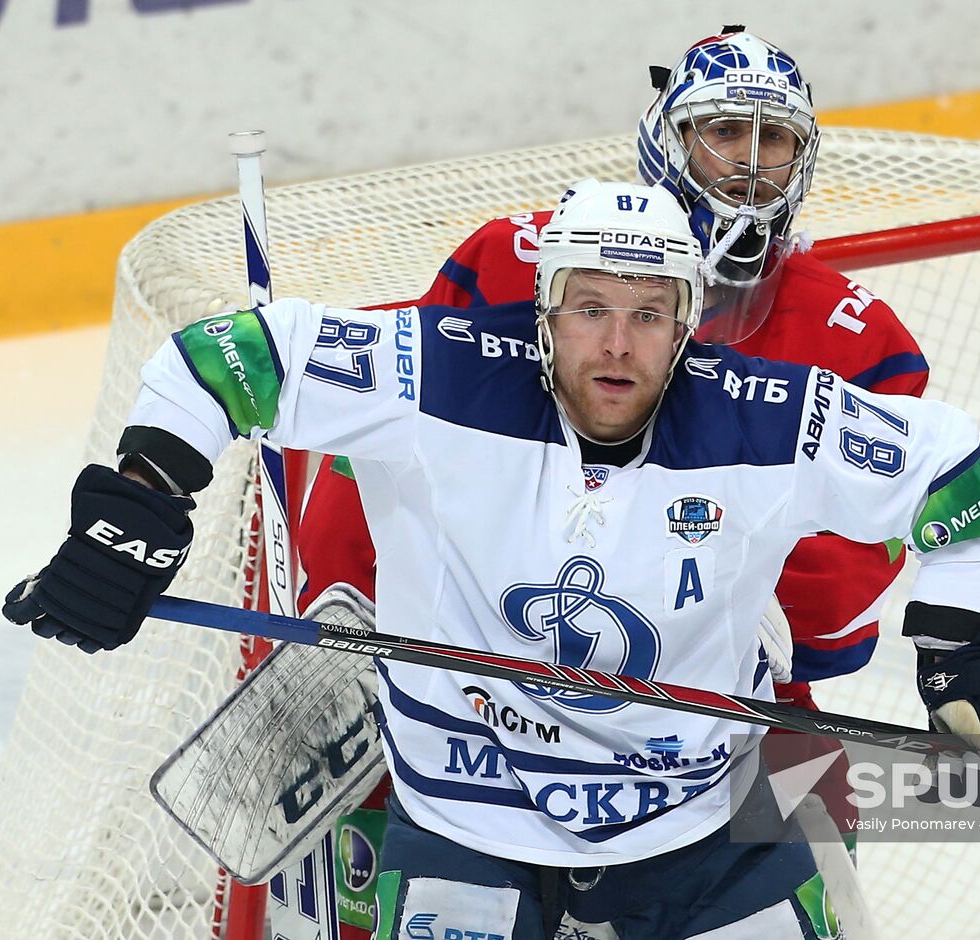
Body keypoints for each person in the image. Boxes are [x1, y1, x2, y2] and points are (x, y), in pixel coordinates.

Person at [3, 180, 980, 939]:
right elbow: (226, 359)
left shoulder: (762, 416)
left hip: (693, 823)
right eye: (589, 308)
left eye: (649, 316)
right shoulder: (440, 371)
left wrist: (962, 642)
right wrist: (138, 502)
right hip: (462, 820)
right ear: (542, 307)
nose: (616, 346)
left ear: (686, 323)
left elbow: (969, 481)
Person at [298, 27, 929, 857]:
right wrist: (351, 599)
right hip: (476, 705)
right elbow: (392, 435)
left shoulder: (862, 338)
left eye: (773, 138)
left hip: (725, 721)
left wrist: (737, 615)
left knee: (813, 858)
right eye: (724, 131)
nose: (748, 162)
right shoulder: (509, 262)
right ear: (667, 143)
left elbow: (868, 542)